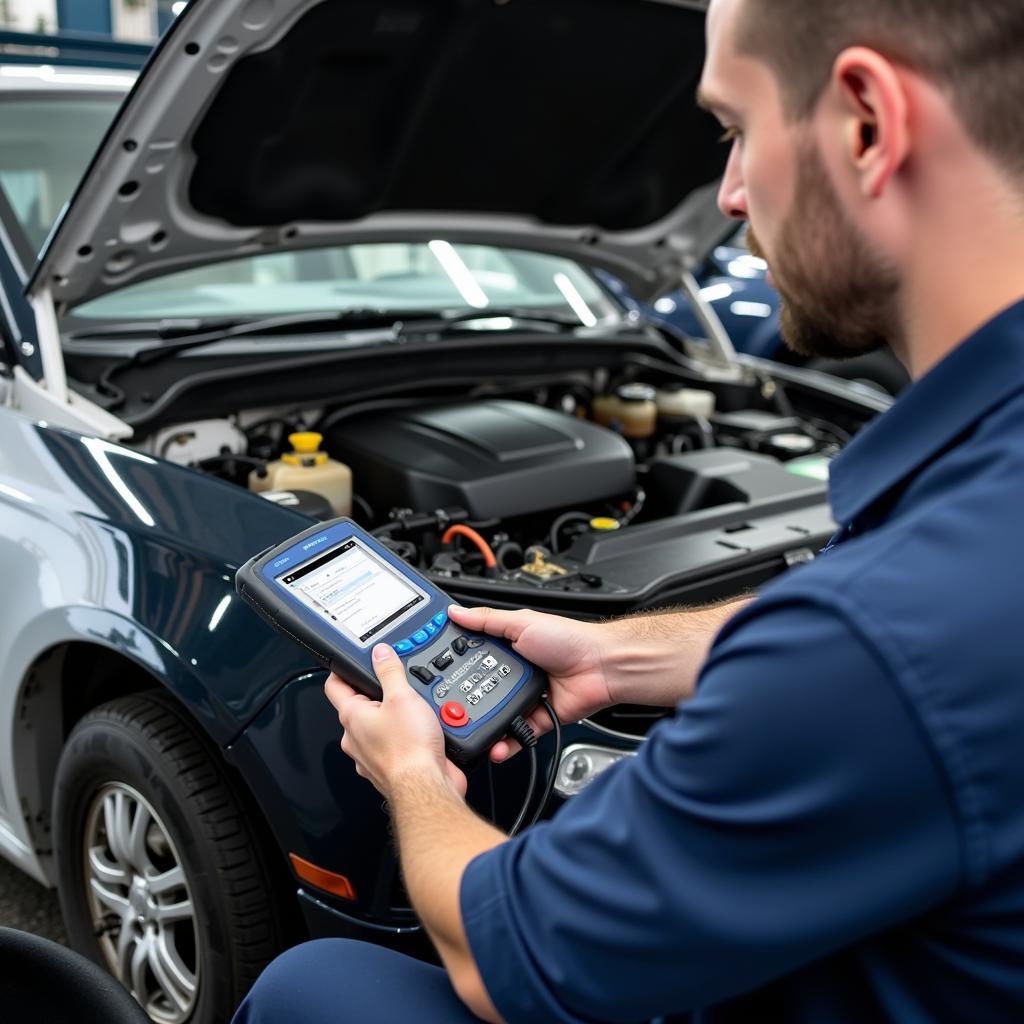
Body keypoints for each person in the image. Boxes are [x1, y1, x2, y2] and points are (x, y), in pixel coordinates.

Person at [233, 0, 1024, 1020]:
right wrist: (619, 656)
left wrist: (414, 774)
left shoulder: (875, 642)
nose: (729, 195)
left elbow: (497, 951)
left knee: (314, 985)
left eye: (735, 131)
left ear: (866, 122)